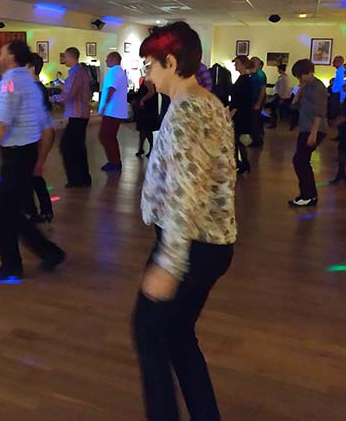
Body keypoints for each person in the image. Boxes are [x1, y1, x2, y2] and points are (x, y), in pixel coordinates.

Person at [133, 21, 236, 421]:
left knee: (148, 334)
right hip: (211, 243)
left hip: (190, 245)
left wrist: (169, 263)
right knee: (177, 336)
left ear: (170, 62)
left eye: (150, 67)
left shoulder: (186, 113)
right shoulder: (206, 101)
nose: (147, 77)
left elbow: (185, 192)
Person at [0, 40, 65, 282]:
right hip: (27, 154)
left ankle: (12, 266)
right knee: (11, 211)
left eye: (2, 52)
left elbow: (2, 126)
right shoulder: (32, 84)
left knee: (2, 209)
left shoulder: (10, 82)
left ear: (11, 57)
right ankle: (50, 253)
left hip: (15, 155)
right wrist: (39, 160)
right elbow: (47, 129)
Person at [288, 59, 328, 207]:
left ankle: (308, 195)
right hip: (306, 128)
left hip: (313, 129)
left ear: (309, 72)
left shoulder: (318, 87)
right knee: (300, 160)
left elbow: (320, 112)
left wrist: (313, 133)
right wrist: (299, 91)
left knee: (301, 161)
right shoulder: (307, 86)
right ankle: (308, 195)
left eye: (301, 75)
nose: (299, 79)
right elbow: (294, 106)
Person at [54, 47, 92, 188]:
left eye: (65, 57)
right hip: (80, 114)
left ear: (71, 57)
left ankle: (75, 179)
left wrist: (56, 98)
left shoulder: (76, 74)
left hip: (77, 114)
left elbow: (69, 94)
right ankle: (83, 178)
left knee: (67, 146)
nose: (64, 60)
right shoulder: (81, 72)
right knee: (77, 147)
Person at [25, 53, 54, 223]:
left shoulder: (35, 89)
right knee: (33, 176)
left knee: (32, 175)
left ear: (32, 68)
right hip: (32, 137)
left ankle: (34, 211)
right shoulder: (34, 88)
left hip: (34, 138)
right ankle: (42, 210)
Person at [98, 52, 128, 172]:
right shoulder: (120, 72)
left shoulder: (114, 71)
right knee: (109, 136)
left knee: (105, 136)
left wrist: (104, 105)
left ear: (113, 59)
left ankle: (115, 162)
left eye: (107, 58)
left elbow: (111, 88)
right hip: (115, 111)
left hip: (112, 111)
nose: (106, 61)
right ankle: (114, 161)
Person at [230, 56, 254, 175]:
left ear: (243, 65)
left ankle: (242, 163)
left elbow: (241, 99)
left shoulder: (245, 80)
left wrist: (233, 112)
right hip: (240, 114)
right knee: (238, 140)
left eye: (237, 63)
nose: (235, 66)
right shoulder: (243, 79)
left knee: (238, 139)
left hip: (240, 115)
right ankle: (242, 163)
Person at [133, 77, 159, 158]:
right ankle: (141, 148)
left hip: (147, 107)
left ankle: (150, 148)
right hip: (148, 107)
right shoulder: (151, 79)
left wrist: (142, 100)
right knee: (144, 129)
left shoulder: (148, 80)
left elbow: (151, 92)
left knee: (146, 129)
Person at [250, 57, 267, 147]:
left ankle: (257, 140)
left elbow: (262, 89)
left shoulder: (260, 74)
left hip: (257, 99)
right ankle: (256, 138)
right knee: (255, 119)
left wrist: (258, 103)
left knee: (255, 120)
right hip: (255, 99)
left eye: (254, 62)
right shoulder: (255, 73)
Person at [268, 64, 292, 129]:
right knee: (274, 109)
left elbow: (283, 89)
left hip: (280, 96)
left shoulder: (283, 79)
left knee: (273, 109)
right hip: (281, 96)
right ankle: (274, 123)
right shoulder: (285, 77)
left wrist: (281, 98)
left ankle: (273, 124)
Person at [330, 55, 345, 121]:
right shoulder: (340, 71)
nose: (333, 64)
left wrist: (341, 99)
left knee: (336, 113)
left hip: (337, 95)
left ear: (339, 62)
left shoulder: (341, 71)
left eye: (334, 62)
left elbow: (342, 86)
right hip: (336, 94)